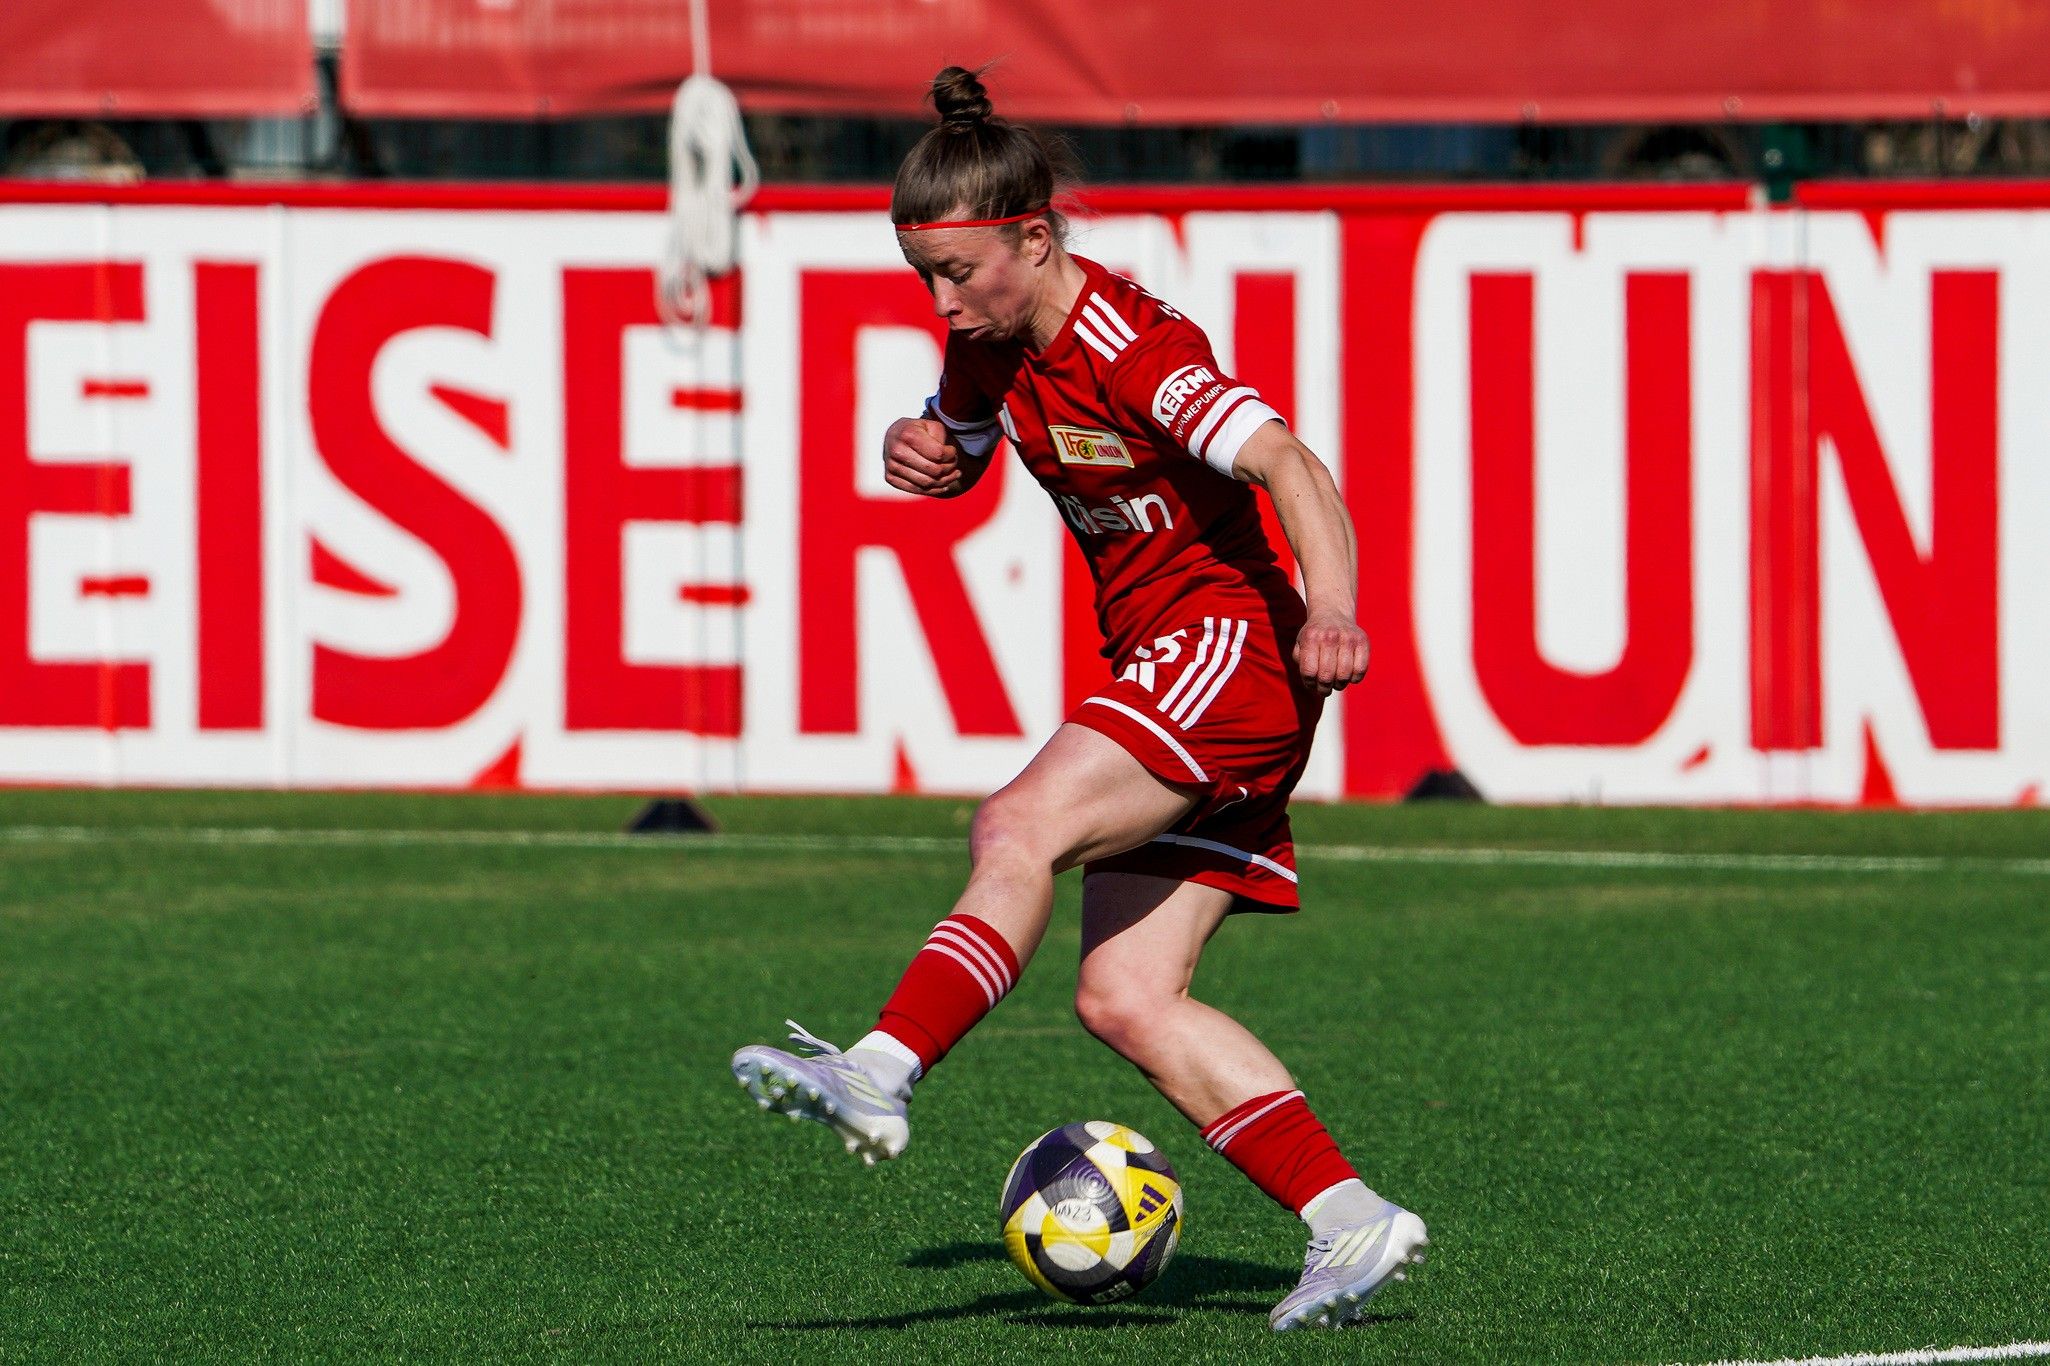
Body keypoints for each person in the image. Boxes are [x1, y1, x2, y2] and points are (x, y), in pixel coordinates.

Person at [730, 66, 1427, 1332]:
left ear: (1036, 240)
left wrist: (1331, 606)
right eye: (924, 278)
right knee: (1124, 994)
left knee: (1016, 824)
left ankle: (880, 1067)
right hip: (1178, 663)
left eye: (958, 274)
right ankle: (1351, 1217)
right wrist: (922, 451)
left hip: (1229, 648)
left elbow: (1288, 461)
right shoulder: (988, 340)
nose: (943, 304)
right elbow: (955, 443)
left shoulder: (1133, 346)